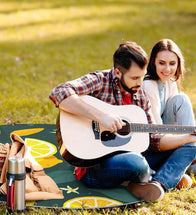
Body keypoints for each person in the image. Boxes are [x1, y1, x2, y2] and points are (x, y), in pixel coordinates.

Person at [49, 41, 196, 201]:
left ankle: (158, 183)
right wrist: (101, 116)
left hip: (134, 155)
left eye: (142, 76)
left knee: (191, 146)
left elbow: (154, 139)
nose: (140, 83)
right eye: (134, 78)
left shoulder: (139, 95)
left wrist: (187, 137)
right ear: (118, 73)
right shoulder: (100, 80)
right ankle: (162, 175)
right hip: (95, 166)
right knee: (136, 163)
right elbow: (59, 92)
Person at [142, 39, 196, 176]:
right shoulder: (149, 85)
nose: (167, 69)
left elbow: (177, 120)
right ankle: (189, 155)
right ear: (153, 62)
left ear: (178, 64)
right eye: (161, 63)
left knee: (181, 98)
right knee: (182, 98)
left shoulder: (170, 82)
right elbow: (157, 131)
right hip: (153, 142)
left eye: (172, 64)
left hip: (168, 134)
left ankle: (191, 153)